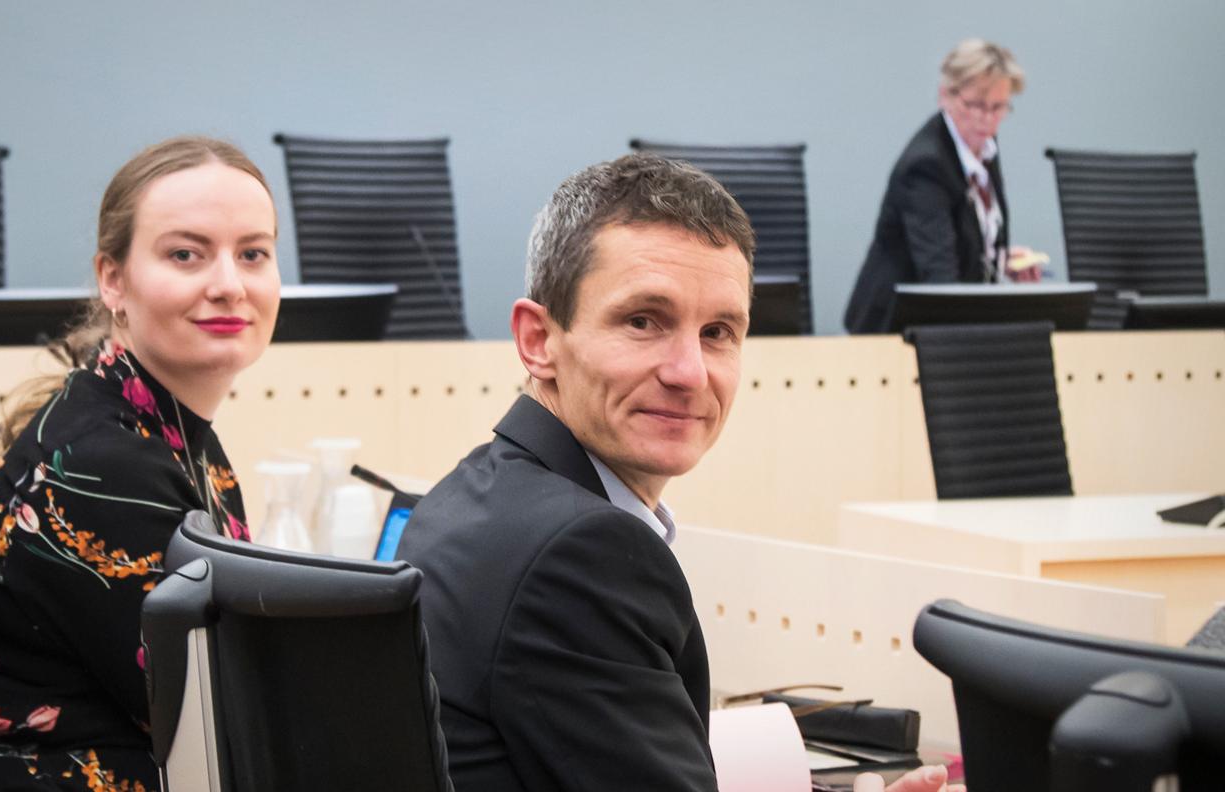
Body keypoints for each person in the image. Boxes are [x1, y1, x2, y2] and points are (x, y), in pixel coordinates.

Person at [396, 154, 962, 792]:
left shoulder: (471, 493)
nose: (689, 372)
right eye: (644, 321)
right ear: (539, 340)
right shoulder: (582, 554)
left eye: (718, 332)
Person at [0, 136, 280, 791]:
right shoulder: (100, 465)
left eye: (253, 253)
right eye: (185, 254)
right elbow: (211, 710)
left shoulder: (163, 428)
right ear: (112, 280)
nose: (229, 284)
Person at [844, 38, 1032, 335]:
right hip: (891, 332)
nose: (986, 119)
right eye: (975, 105)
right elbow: (940, 278)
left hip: (938, 324)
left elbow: (966, 229)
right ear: (945, 95)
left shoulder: (983, 145)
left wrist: (999, 256)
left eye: (998, 108)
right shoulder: (926, 166)